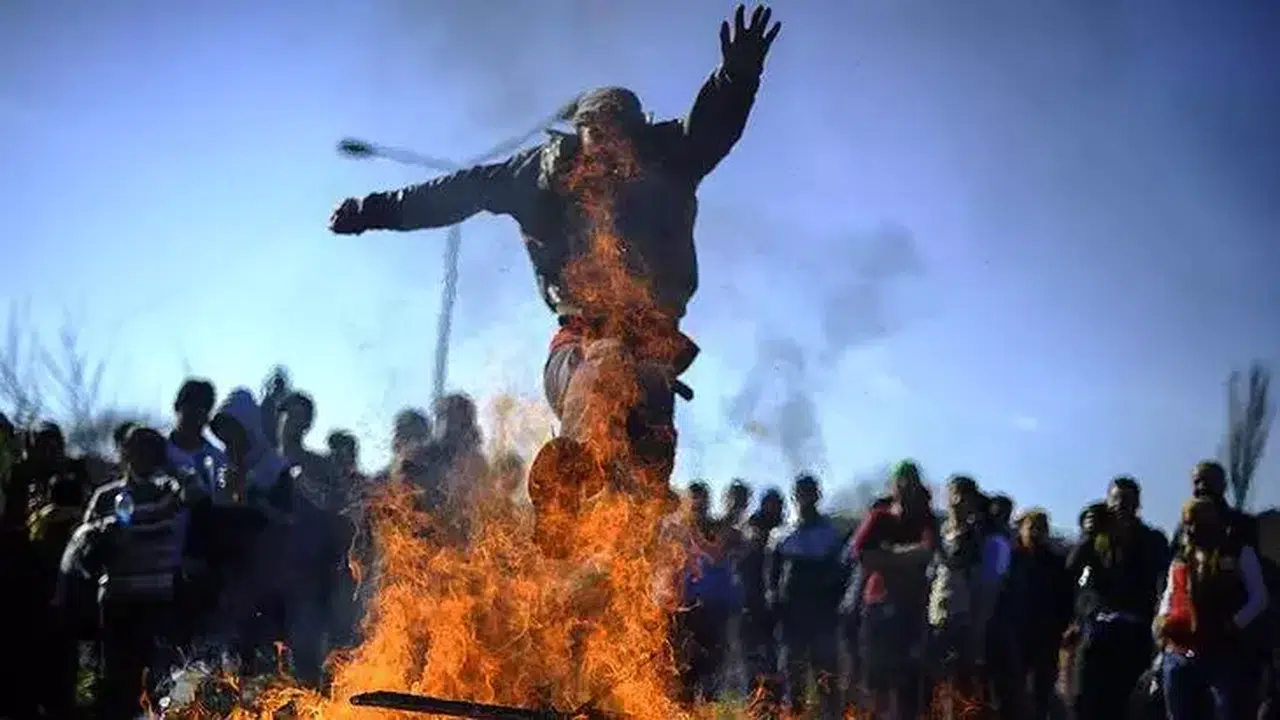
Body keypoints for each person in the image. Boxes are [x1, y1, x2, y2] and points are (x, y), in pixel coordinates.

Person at [329, 4, 781, 512]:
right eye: (598, 134)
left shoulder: (669, 162)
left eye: (621, 135)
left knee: (645, 466)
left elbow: (710, 128)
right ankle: (568, 481)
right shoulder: (538, 177)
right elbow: (460, 191)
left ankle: (633, 510)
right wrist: (374, 210)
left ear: (638, 138)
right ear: (579, 136)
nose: (608, 150)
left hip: (653, 350)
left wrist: (736, 77)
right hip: (576, 352)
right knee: (606, 363)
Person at [59, 427, 200, 719]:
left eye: (150, 448)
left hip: (159, 600)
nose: (142, 455)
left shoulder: (170, 492)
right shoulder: (107, 496)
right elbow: (84, 543)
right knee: (119, 681)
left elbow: (198, 493)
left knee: (163, 682)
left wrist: (172, 467)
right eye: (136, 448)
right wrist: (105, 535)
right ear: (124, 452)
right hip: (118, 602)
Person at [1155, 497, 1269, 719]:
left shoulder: (1239, 552)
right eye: (1188, 523)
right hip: (1180, 652)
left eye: (1199, 522)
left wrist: (1233, 625)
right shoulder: (1180, 560)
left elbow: (1258, 598)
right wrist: (1162, 623)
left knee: (1226, 710)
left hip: (1222, 650)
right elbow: (1170, 597)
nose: (1193, 529)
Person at [1067, 476, 1170, 720]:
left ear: (1138, 505)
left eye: (1127, 501)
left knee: (1127, 703)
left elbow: (1166, 580)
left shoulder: (1152, 539)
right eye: (1115, 500)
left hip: (1135, 630)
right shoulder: (1098, 539)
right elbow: (1071, 569)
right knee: (1085, 700)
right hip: (1098, 630)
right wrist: (1088, 535)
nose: (1120, 506)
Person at [850, 460, 936, 720]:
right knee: (876, 680)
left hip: (913, 607)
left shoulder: (926, 519)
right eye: (902, 481)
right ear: (893, 485)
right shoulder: (880, 516)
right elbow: (863, 554)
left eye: (911, 481)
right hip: (878, 605)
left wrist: (887, 554)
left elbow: (926, 553)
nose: (906, 486)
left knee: (908, 682)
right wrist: (905, 556)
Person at [768, 474, 846, 719]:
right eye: (801, 493)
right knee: (793, 680)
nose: (805, 498)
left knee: (826, 680)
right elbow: (771, 576)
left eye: (810, 493)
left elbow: (841, 575)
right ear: (794, 496)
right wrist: (772, 599)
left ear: (817, 496)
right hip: (791, 617)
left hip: (822, 616)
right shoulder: (781, 535)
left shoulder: (830, 534)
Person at [167, 378, 228, 497]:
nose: (195, 416)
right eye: (191, 408)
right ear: (177, 406)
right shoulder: (157, 451)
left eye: (202, 410)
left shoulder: (218, 460)